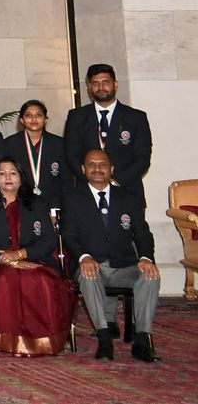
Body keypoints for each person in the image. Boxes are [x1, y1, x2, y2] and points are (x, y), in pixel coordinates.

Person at [61, 148, 160, 363]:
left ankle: (142, 340)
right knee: (88, 276)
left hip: (124, 266)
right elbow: (68, 234)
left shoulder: (128, 198)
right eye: (91, 164)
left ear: (111, 169)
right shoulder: (72, 198)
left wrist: (146, 258)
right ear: (83, 169)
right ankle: (104, 337)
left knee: (150, 275)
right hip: (92, 265)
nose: (97, 169)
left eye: (102, 164)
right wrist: (84, 257)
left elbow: (143, 233)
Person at [0, 158, 70, 356]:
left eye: (13, 173)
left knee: (41, 280)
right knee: (7, 279)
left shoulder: (37, 203)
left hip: (32, 260)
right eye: (2, 173)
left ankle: (42, 341)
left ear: (21, 177)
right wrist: (7, 260)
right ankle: (6, 340)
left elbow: (48, 241)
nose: (8, 177)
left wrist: (20, 255)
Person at [63, 63, 152, 203]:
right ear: (89, 87)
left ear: (115, 84)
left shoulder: (136, 117)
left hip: (127, 192)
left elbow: (143, 159)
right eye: (95, 83)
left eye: (105, 82)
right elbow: (71, 156)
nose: (101, 87)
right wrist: (94, 183)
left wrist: (114, 182)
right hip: (86, 195)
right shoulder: (76, 117)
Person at [0, 99, 68, 209]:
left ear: (45, 120)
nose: (34, 118)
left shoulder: (59, 144)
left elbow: (66, 179)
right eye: (28, 115)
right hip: (20, 204)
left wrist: (56, 206)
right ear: (22, 120)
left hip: (52, 204)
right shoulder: (9, 144)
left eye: (39, 115)